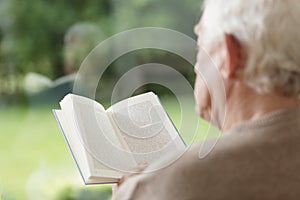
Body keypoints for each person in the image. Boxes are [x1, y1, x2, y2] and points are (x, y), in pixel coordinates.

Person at [112, 0, 300, 199]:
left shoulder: (171, 184)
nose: (196, 67)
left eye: (200, 45)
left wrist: (135, 192)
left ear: (230, 55)